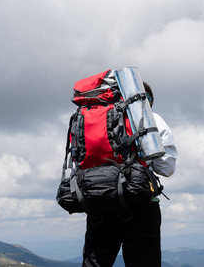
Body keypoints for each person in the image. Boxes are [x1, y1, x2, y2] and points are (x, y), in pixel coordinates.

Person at [82, 82, 177, 267]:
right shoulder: (152, 119)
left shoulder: (92, 119)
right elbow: (166, 168)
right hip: (140, 203)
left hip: (99, 202)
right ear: (147, 100)